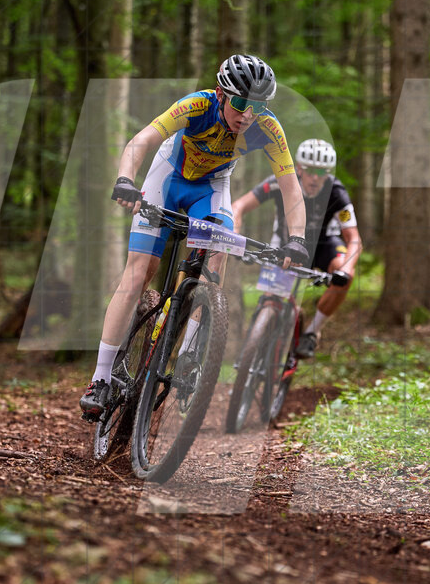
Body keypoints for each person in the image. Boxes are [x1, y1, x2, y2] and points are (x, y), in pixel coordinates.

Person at [80, 54, 309, 420]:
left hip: (211, 187)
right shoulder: (197, 105)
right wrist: (125, 179)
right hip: (168, 178)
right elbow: (143, 139)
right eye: (240, 103)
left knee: (219, 251)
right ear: (220, 94)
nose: (248, 114)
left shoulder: (268, 127)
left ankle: (188, 355)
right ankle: (101, 378)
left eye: (258, 106)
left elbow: (290, 186)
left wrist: (297, 238)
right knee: (139, 273)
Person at [231, 138, 361, 359]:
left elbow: (354, 238)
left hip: (323, 247)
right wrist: (234, 234)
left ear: (328, 173)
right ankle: (258, 343)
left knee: (344, 271)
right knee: (270, 298)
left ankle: (312, 332)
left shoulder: (336, 192)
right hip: (286, 245)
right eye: (310, 170)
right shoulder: (280, 182)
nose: (315, 177)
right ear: (299, 168)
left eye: (321, 172)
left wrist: (347, 269)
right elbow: (239, 206)